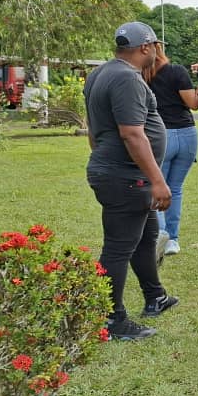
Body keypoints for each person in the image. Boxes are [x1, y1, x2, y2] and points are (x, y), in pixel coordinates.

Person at [83, 21, 179, 340]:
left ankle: (155, 297)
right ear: (145, 48)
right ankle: (112, 319)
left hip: (117, 172)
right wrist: (157, 181)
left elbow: (94, 129)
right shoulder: (127, 78)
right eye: (155, 46)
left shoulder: (101, 73)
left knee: (147, 233)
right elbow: (132, 134)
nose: (157, 52)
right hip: (126, 177)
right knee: (119, 246)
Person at [142, 45, 198, 257]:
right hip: (188, 134)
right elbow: (194, 104)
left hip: (161, 135)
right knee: (175, 189)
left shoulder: (141, 76)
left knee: (156, 188)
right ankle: (173, 239)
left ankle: (159, 235)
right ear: (160, 49)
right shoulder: (177, 71)